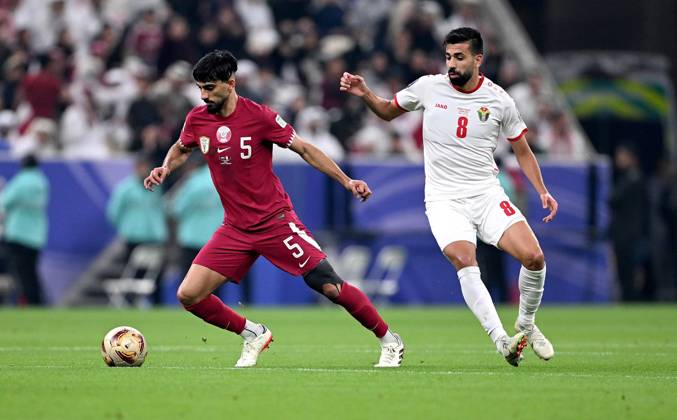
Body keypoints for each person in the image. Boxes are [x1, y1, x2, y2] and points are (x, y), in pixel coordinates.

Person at [144, 50, 404, 368]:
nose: (203, 95)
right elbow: (182, 148)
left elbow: (305, 149)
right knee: (189, 295)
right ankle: (253, 333)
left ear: (231, 82)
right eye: (200, 88)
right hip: (235, 227)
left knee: (329, 285)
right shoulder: (197, 119)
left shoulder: (260, 116)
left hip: (274, 221)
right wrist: (165, 168)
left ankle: (389, 340)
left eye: (209, 87)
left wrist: (347, 181)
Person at [340, 27, 558, 366]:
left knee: (534, 258)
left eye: (459, 57)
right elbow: (386, 110)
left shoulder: (499, 100)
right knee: (464, 260)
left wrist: (542, 190)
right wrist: (365, 92)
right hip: (444, 199)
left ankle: (526, 325)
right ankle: (502, 340)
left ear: (477, 59)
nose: (451, 65)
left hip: (485, 194)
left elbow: (523, 151)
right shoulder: (429, 87)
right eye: (448, 57)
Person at [107, 155, 168, 305]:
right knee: (132, 277)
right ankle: (131, 305)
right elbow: (114, 212)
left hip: (155, 238)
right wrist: (127, 228)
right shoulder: (125, 188)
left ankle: (157, 306)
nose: (142, 169)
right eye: (140, 166)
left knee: (155, 278)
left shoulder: (158, 186)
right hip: (134, 238)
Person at [0, 154, 49, 305]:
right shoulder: (42, 182)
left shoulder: (20, 181)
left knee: (21, 273)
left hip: (18, 233)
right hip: (36, 234)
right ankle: (37, 301)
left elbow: (5, 202)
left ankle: (31, 302)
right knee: (31, 271)